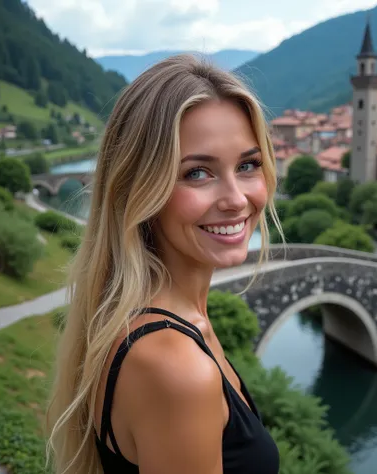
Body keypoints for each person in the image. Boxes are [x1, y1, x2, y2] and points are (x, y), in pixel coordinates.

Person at [46, 54, 282, 474]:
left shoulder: (150, 326)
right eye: (197, 173)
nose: (235, 199)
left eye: (247, 165)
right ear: (139, 188)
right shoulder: (175, 366)